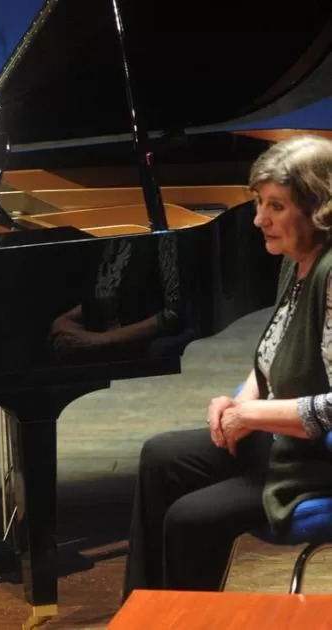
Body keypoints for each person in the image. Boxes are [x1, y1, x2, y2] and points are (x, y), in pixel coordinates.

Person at [122, 134, 332, 599]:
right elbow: (273, 358)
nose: (259, 219)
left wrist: (250, 417)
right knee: (159, 456)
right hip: (283, 442)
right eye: (259, 203)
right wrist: (237, 403)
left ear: (319, 207)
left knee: (189, 517)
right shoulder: (296, 260)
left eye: (276, 206)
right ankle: (142, 618)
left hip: (316, 463)